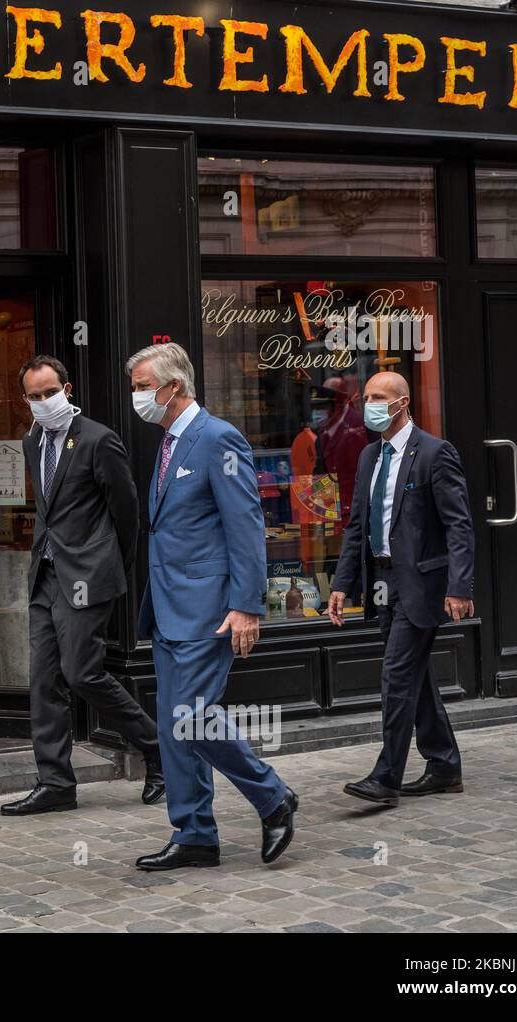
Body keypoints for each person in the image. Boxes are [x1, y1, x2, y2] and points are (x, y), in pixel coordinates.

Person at [130, 342, 297, 870]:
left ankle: (272, 797)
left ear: (172, 387)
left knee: (193, 718)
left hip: (208, 608)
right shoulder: (168, 442)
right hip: (168, 607)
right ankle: (196, 833)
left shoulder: (218, 437)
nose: (136, 397)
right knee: (172, 726)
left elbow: (245, 527)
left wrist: (247, 606)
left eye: (141, 387)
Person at [0, 355, 166, 817]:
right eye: (33, 397)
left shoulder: (98, 439)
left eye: (49, 393)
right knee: (44, 682)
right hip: (46, 574)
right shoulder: (31, 439)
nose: (42, 402)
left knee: (82, 673)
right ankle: (55, 782)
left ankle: (157, 749)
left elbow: (127, 511)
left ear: (67, 390)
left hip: (87, 578)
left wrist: (114, 568)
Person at [328, 371, 474, 805]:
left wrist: (459, 586)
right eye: (367, 396)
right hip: (381, 581)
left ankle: (386, 776)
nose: (371, 404)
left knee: (396, 675)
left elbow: (458, 525)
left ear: (403, 403)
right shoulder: (369, 457)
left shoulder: (434, 453)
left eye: (380, 397)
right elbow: (356, 525)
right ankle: (444, 764)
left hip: (423, 583)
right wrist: (342, 584)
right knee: (415, 675)